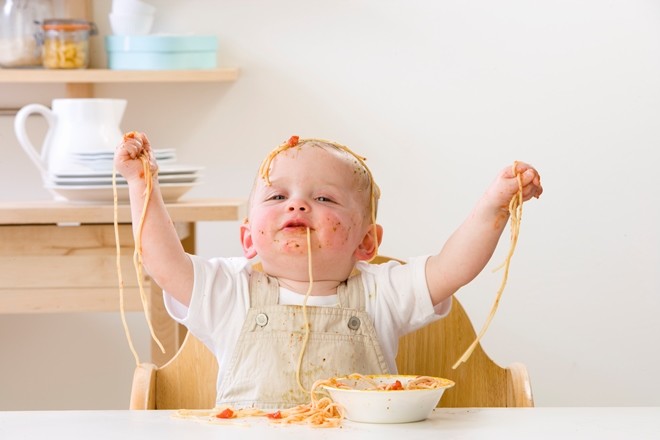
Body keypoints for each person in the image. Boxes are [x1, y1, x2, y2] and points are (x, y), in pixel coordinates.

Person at [114, 134, 543, 410]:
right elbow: (162, 261)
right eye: (278, 195)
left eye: (324, 198)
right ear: (249, 240)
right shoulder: (231, 292)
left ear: (367, 244)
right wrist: (142, 185)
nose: (297, 205)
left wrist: (494, 207)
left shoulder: (382, 293)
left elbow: (453, 267)